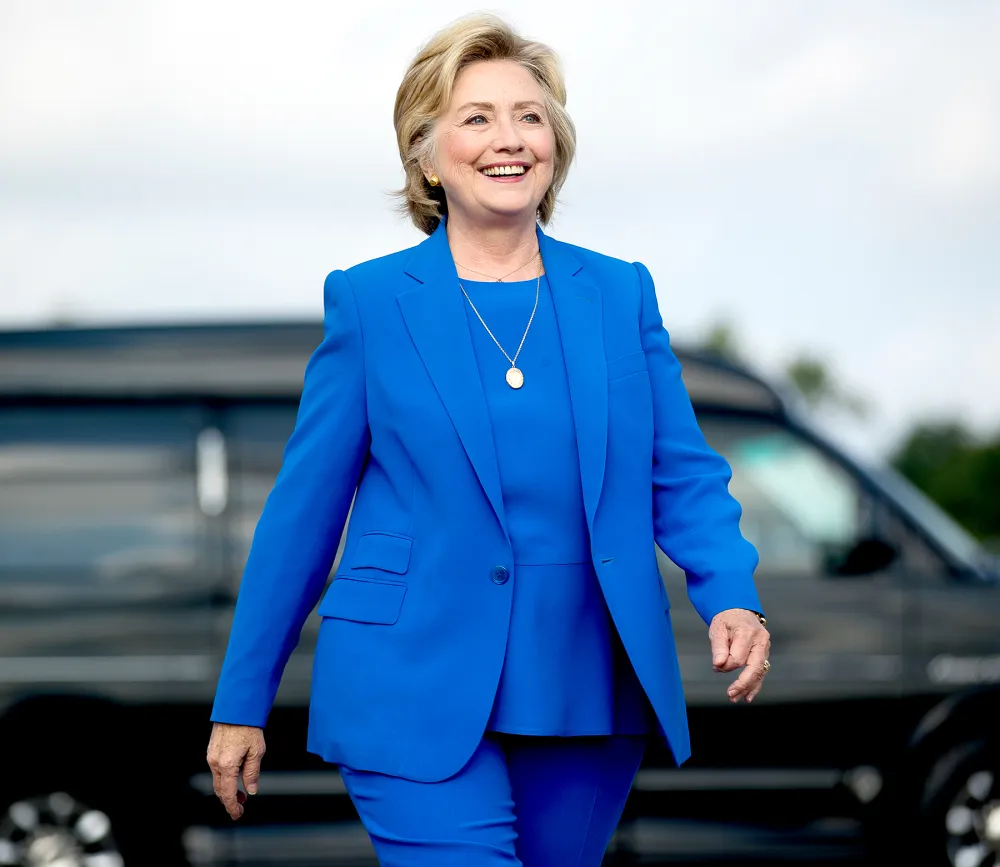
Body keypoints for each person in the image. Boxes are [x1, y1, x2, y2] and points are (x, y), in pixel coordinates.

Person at [206, 13, 770, 866]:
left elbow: (681, 473)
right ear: (427, 154)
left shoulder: (620, 296)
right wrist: (242, 696)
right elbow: (302, 515)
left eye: (529, 116)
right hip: (408, 676)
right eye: (476, 118)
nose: (508, 140)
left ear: (556, 144)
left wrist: (730, 592)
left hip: (587, 683)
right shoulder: (369, 303)